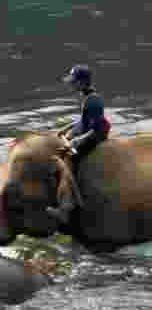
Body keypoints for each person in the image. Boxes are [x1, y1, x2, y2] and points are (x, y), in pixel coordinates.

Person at [49, 65, 111, 223]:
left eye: (73, 81)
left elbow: (96, 127)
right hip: (86, 132)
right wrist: (66, 128)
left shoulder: (94, 100)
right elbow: (83, 119)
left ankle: (66, 207)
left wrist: (78, 140)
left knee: (67, 162)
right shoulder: (87, 97)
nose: (71, 84)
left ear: (82, 82)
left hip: (93, 137)